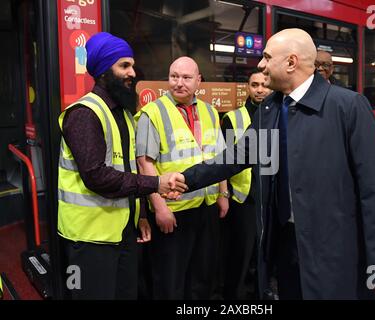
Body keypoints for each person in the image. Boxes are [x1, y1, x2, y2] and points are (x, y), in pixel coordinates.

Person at [177, 28, 375, 299]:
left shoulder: (348, 107)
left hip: (338, 253)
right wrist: (186, 179)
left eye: (267, 57)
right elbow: (236, 157)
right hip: (286, 246)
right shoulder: (270, 110)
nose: (260, 65)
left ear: (291, 63)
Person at [57, 32, 186, 300]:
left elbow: (127, 169)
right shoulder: (84, 114)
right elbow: (97, 177)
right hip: (89, 239)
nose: (132, 73)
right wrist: (157, 184)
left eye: (132, 65)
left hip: (122, 232)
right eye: (124, 66)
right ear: (104, 71)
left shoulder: (124, 114)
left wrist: (138, 215)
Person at [135, 56, 229, 299]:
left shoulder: (210, 112)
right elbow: (145, 164)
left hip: (205, 208)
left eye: (186, 77)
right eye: (174, 76)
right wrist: (160, 208)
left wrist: (223, 194)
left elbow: (219, 159)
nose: (179, 82)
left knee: (201, 279)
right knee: (170, 282)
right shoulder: (152, 113)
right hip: (174, 210)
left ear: (199, 81)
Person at [219, 70, 271, 300]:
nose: (260, 89)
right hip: (244, 199)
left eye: (264, 85)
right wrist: (225, 193)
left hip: (270, 197)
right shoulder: (232, 118)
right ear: (247, 88)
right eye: (255, 85)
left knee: (264, 256)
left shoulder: (279, 113)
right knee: (241, 256)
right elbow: (226, 159)